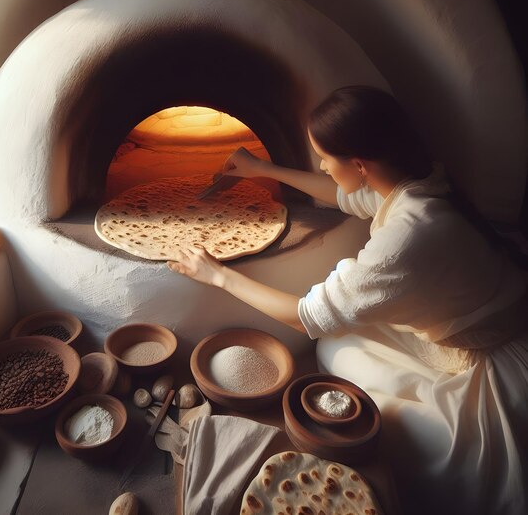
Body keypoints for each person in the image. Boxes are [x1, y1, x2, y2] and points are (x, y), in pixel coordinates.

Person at [167, 86, 528, 515]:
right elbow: (340, 193)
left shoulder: (405, 240)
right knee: (336, 345)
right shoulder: (413, 178)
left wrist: (218, 275)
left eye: (324, 156)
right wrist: (260, 168)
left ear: (359, 164)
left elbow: (305, 316)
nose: (320, 164)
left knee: (361, 391)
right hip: (472, 319)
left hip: (500, 363)